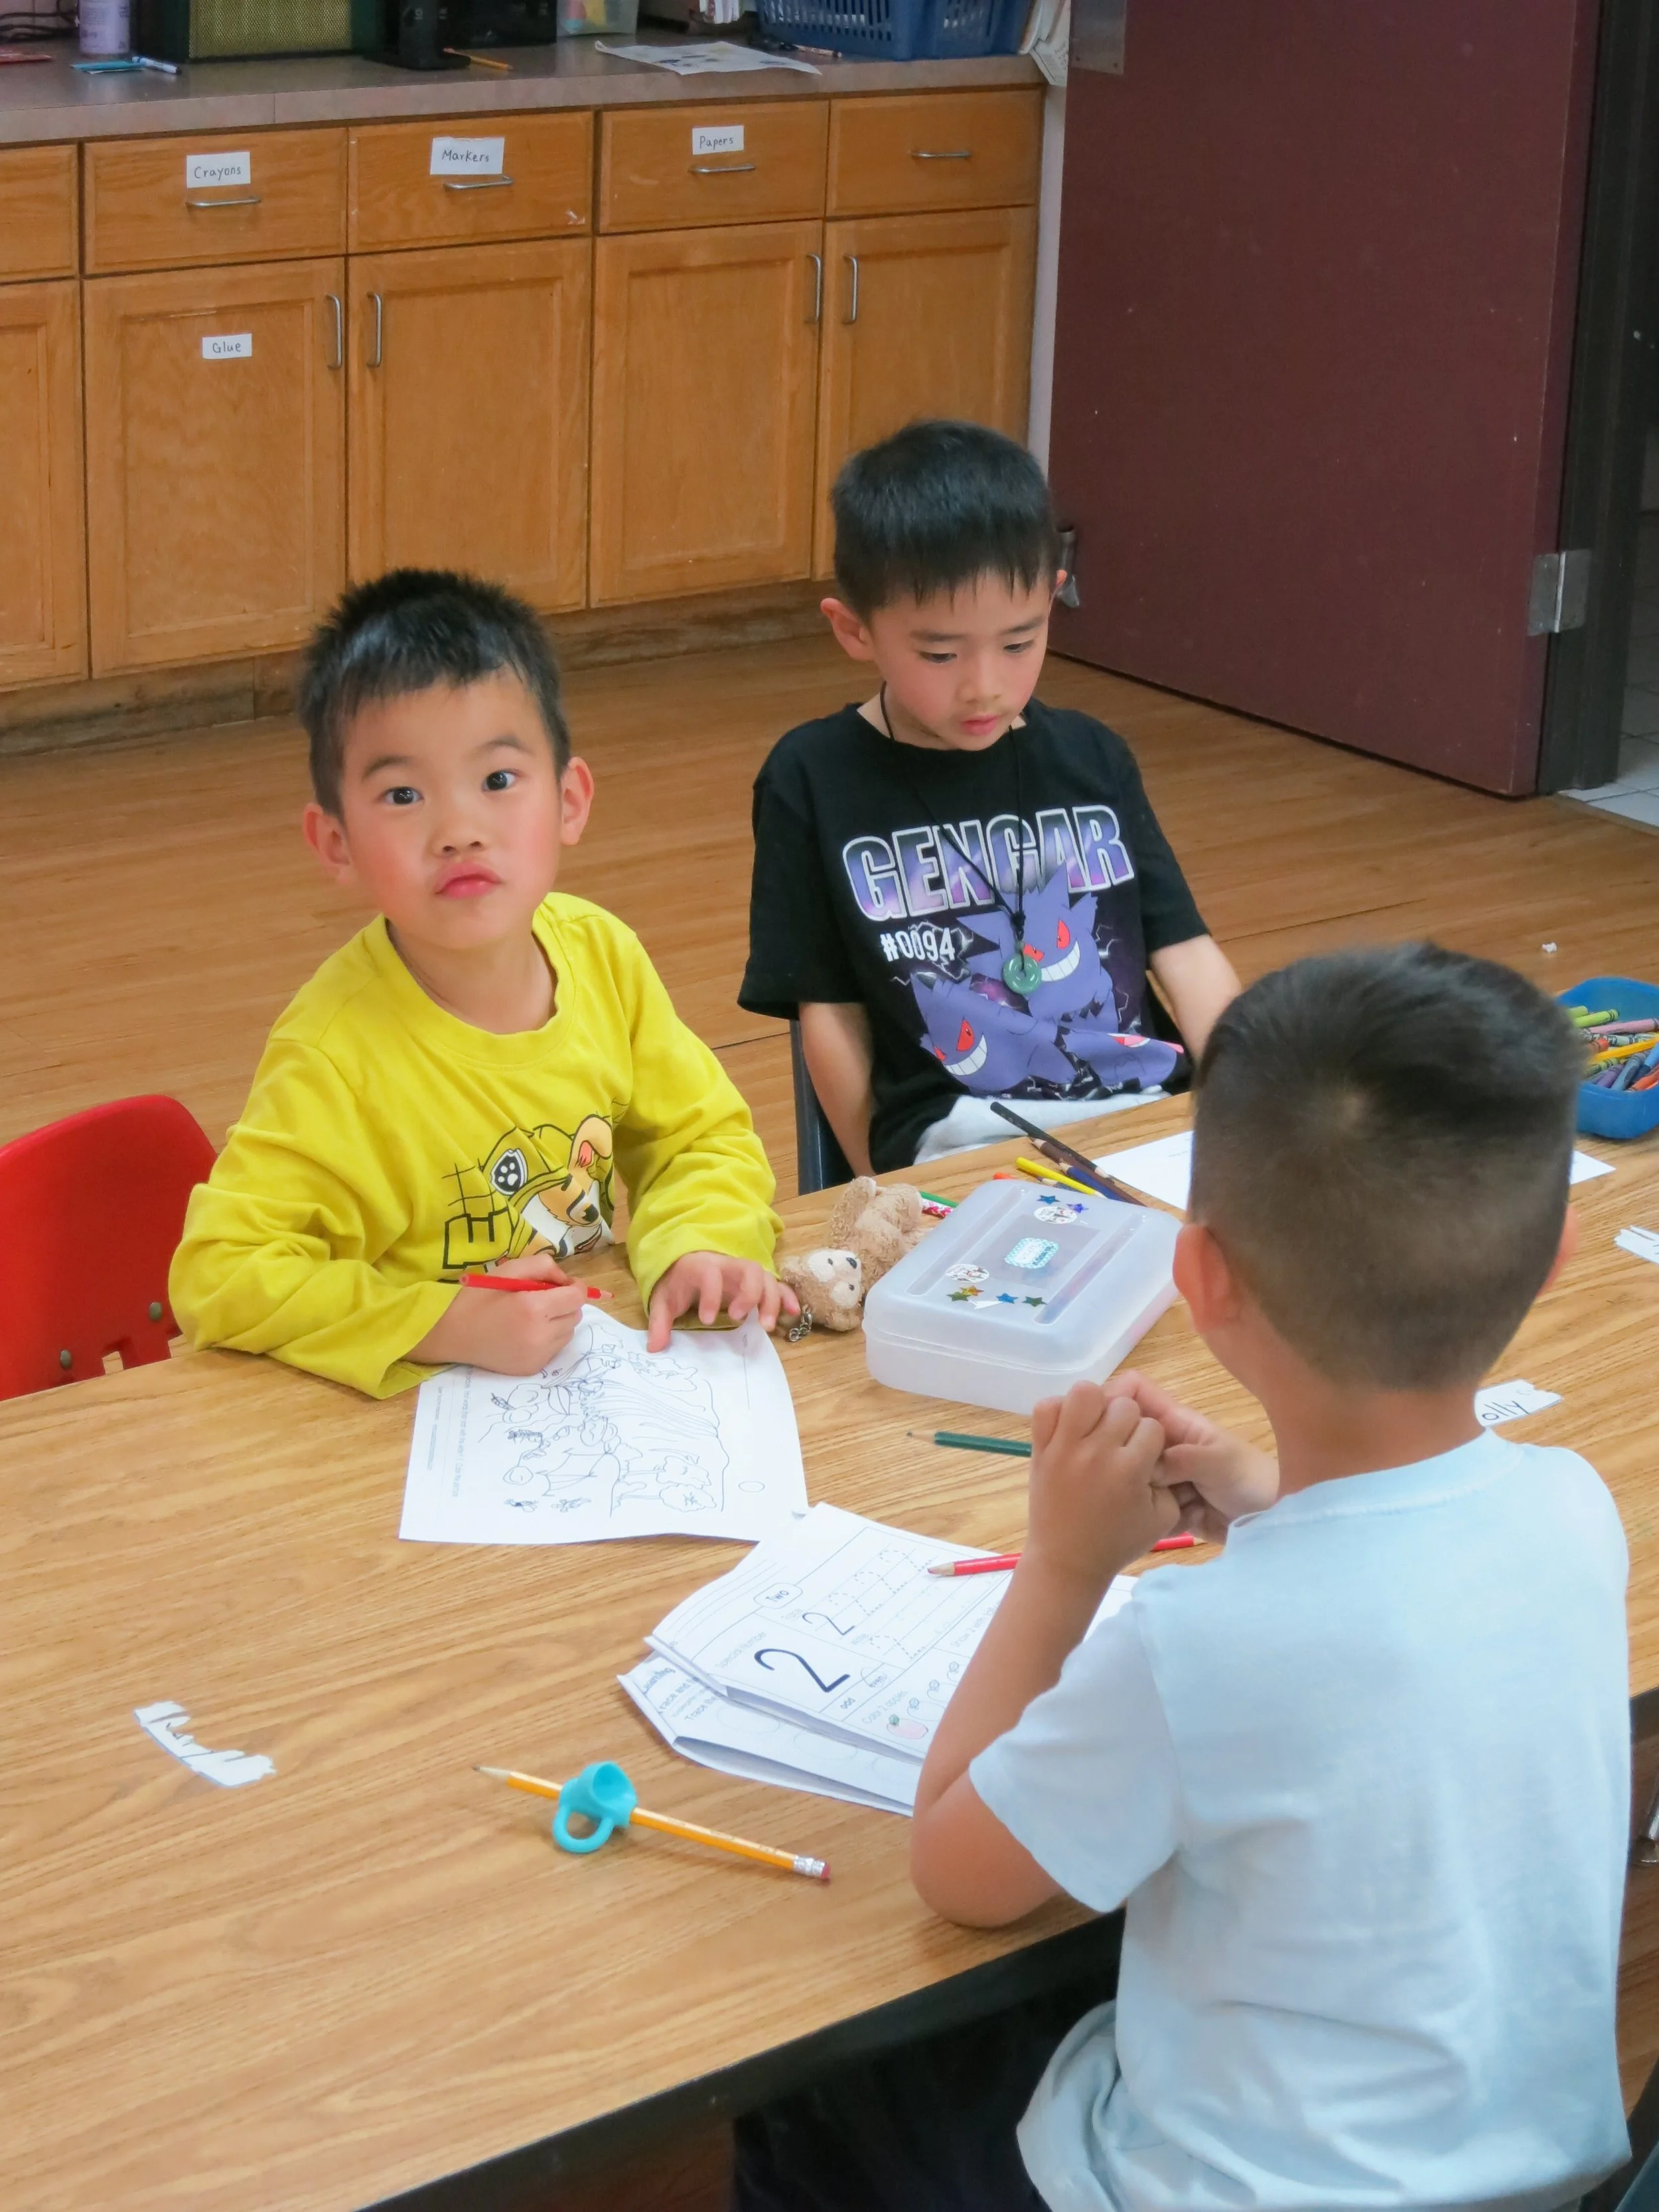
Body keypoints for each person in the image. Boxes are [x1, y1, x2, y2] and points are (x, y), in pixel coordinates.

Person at [735, 942, 1630, 2212]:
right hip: (1531, 2182)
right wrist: (1265, 1491)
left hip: (1214, 2188)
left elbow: (957, 1869)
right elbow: (1393, 1590)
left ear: (1197, 1276)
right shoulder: (1574, 1507)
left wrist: (1060, 1566)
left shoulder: (1192, 1642)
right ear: (1554, 1256)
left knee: (813, 2095)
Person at [170, 569, 792, 1398]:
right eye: (402, 794)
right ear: (336, 844)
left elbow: (698, 1140)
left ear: (569, 801)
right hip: (399, 1440)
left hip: (583, 1396)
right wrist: (440, 1320)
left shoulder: (602, 956)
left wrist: (700, 1244)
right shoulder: (333, 1055)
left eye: (498, 782)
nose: (458, 831)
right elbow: (222, 1275)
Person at [739, 419, 1240, 1175]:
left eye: (1018, 642)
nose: (985, 685)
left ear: (1054, 598)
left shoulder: (1091, 756)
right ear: (853, 631)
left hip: (1147, 1118)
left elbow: (1186, 954)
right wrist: (874, 1186)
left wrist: (1258, 1113)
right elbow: (829, 1013)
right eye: (940, 653)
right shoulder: (812, 777)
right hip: (966, 1144)